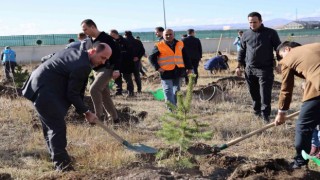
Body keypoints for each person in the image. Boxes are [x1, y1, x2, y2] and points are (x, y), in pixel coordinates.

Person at [22, 43, 112, 171]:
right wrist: (87, 112)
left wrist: (83, 109)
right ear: (92, 51)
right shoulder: (82, 65)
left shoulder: (75, 53)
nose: (103, 62)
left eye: (106, 59)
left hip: (38, 85)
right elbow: (72, 93)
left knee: (50, 126)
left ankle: (57, 157)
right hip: (45, 91)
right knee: (57, 128)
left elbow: (76, 89)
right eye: (102, 57)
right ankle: (63, 166)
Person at [274, 41, 320, 169]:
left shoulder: (289, 57)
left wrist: (281, 112)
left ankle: (299, 163)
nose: (282, 60)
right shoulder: (314, 47)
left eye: (281, 56)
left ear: (287, 49)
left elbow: (286, 88)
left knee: (303, 126)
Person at [236, 12, 281, 122]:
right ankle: (257, 112)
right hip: (249, 69)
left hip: (265, 69)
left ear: (260, 21)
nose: (252, 24)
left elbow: (279, 49)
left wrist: (280, 63)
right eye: (250, 22)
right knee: (254, 93)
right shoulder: (246, 35)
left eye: (255, 22)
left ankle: (265, 115)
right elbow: (242, 51)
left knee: (265, 93)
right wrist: (238, 66)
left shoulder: (271, 33)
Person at [81, 19, 121, 123]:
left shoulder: (106, 38)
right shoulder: (89, 40)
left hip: (107, 69)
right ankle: (115, 119)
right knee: (105, 95)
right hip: (96, 71)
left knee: (94, 89)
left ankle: (98, 116)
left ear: (93, 27)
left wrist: (116, 69)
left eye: (85, 29)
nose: (84, 31)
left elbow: (117, 53)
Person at [148, 29, 193, 106]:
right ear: (163, 35)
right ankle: (171, 109)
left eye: (170, 34)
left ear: (174, 34)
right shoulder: (159, 45)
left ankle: (175, 105)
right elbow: (151, 58)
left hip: (178, 70)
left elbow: (185, 57)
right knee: (168, 90)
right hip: (165, 72)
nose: (168, 36)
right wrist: (158, 68)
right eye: (166, 35)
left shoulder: (180, 43)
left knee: (177, 90)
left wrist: (189, 68)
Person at [109, 29, 135, 96]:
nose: (110, 36)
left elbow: (131, 52)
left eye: (111, 35)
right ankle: (118, 91)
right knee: (117, 78)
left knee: (127, 78)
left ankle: (130, 92)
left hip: (126, 63)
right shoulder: (112, 42)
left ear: (115, 34)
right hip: (117, 63)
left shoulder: (125, 41)